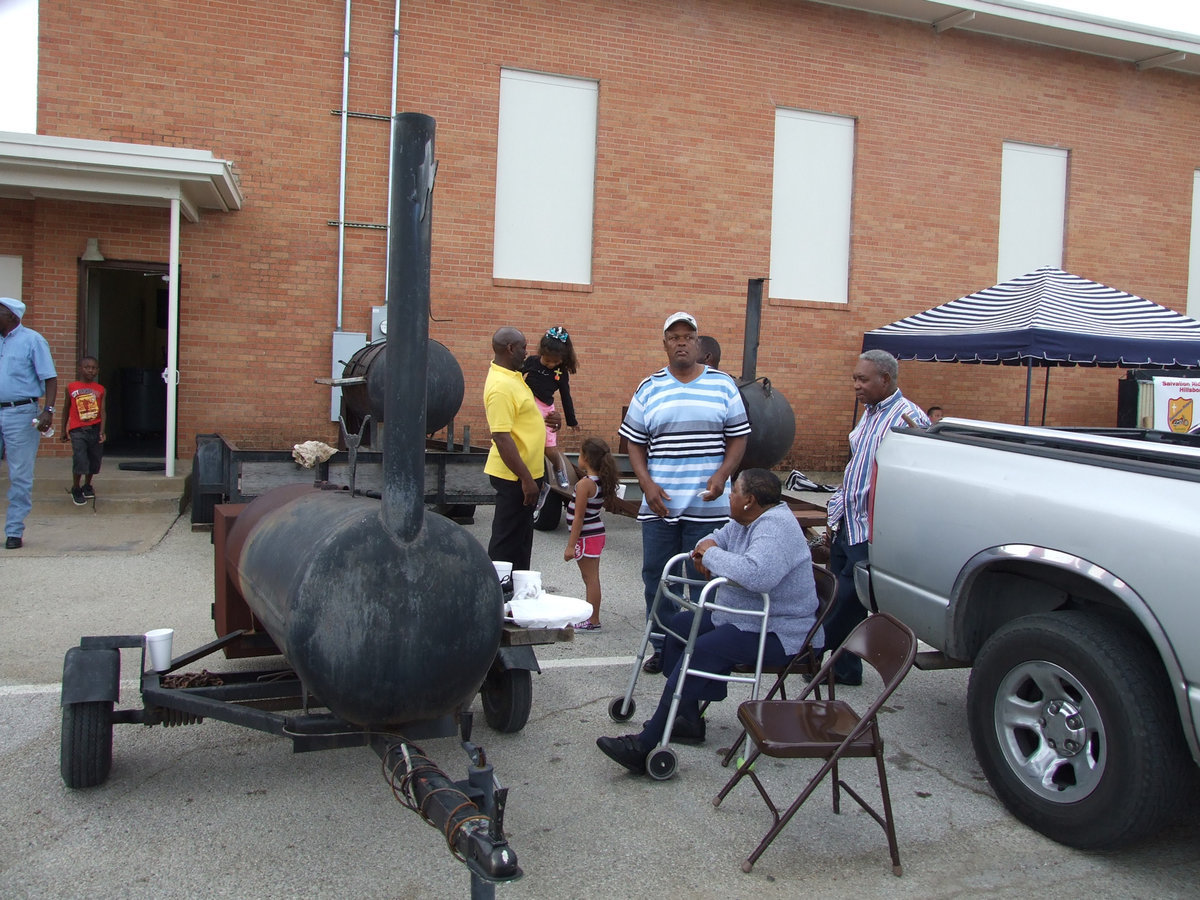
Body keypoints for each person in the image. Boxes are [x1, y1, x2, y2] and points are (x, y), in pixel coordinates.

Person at [596, 468, 820, 775]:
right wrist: (705, 550)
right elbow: (715, 538)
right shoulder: (745, 519)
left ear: (748, 500)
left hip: (779, 631)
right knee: (677, 628)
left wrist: (711, 557)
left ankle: (646, 744)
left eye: (734, 492)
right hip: (740, 618)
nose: (729, 496)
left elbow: (758, 575)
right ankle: (686, 718)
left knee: (701, 649)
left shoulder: (775, 528)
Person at [620, 311, 750, 674]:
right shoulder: (649, 388)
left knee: (703, 581)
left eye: (688, 336)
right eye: (674, 336)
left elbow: (739, 436)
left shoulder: (723, 386)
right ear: (665, 344)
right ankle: (663, 647)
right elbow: (634, 443)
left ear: (698, 343)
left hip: (707, 507)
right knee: (657, 578)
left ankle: (700, 648)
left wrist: (724, 474)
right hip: (660, 505)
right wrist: (646, 484)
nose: (681, 341)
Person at [824, 349, 928, 685]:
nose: (855, 385)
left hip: (871, 529)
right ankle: (845, 669)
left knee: (847, 598)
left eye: (862, 379)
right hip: (848, 523)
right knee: (841, 600)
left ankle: (808, 651)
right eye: (855, 378)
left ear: (885, 379)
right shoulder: (869, 414)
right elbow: (856, 467)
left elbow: (915, 478)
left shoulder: (907, 417)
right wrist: (834, 513)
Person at [484, 326, 551, 571]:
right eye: (523, 347)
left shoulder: (514, 377)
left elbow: (521, 421)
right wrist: (526, 479)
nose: (527, 352)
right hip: (514, 476)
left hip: (526, 474)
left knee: (521, 541)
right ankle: (499, 597)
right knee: (506, 543)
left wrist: (547, 421)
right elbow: (501, 437)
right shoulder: (501, 386)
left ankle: (519, 595)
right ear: (510, 348)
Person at [0, 297, 58, 550]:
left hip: (21, 413)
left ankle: (14, 530)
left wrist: (48, 410)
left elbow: (50, 378)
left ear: (13, 316)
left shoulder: (32, 340)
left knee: (20, 474)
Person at [563, 436, 620, 631]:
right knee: (591, 577)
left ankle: (593, 619)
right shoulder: (600, 480)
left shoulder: (585, 484)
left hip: (587, 536)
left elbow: (578, 517)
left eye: (580, 453)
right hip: (595, 533)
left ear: (586, 458)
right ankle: (592, 617)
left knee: (590, 578)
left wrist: (571, 545)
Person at [522, 326, 579, 495]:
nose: (551, 365)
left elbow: (565, 396)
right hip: (528, 405)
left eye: (555, 362)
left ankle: (558, 469)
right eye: (547, 361)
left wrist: (572, 421)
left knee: (550, 449)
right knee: (530, 446)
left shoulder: (561, 373)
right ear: (541, 352)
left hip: (546, 410)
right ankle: (536, 481)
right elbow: (516, 377)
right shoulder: (531, 362)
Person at [60, 355, 107, 505]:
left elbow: (103, 411)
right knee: (80, 459)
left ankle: (87, 485)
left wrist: (102, 430)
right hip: (78, 430)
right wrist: (63, 429)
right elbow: (66, 409)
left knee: (94, 459)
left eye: (93, 368)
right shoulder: (71, 387)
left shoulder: (100, 389)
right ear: (80, 369)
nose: (90, 370)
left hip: (94, 428)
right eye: (87, 367)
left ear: (97, 370)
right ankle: (76, 487)